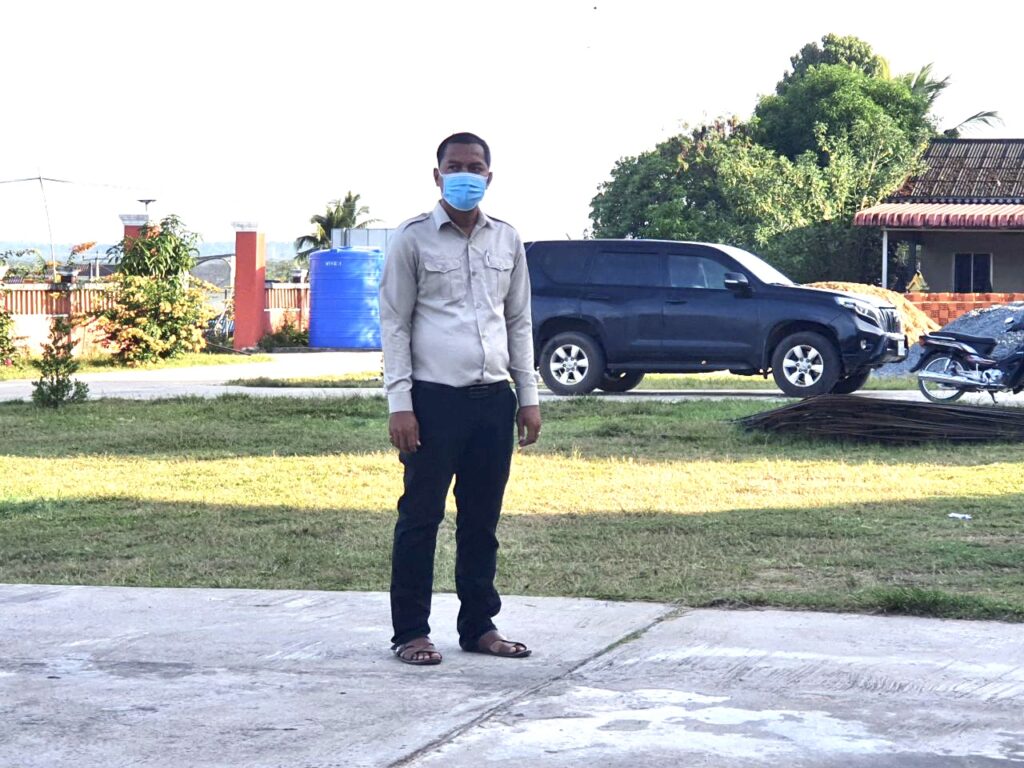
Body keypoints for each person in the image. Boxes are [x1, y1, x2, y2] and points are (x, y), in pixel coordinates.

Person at [379, 131, 542, 665]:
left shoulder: (507, 240)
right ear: (437, 175)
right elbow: (395, 324)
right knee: (420, 518)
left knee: (481, 521)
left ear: (489, 177)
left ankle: (479, 627)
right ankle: (411, 633)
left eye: (475, 167)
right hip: (433, 402)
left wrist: (528, 395)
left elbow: (518, 321)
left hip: (493, 400)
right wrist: (400, 404)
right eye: (454, 167)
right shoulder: (412, 239)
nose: (464, 175)